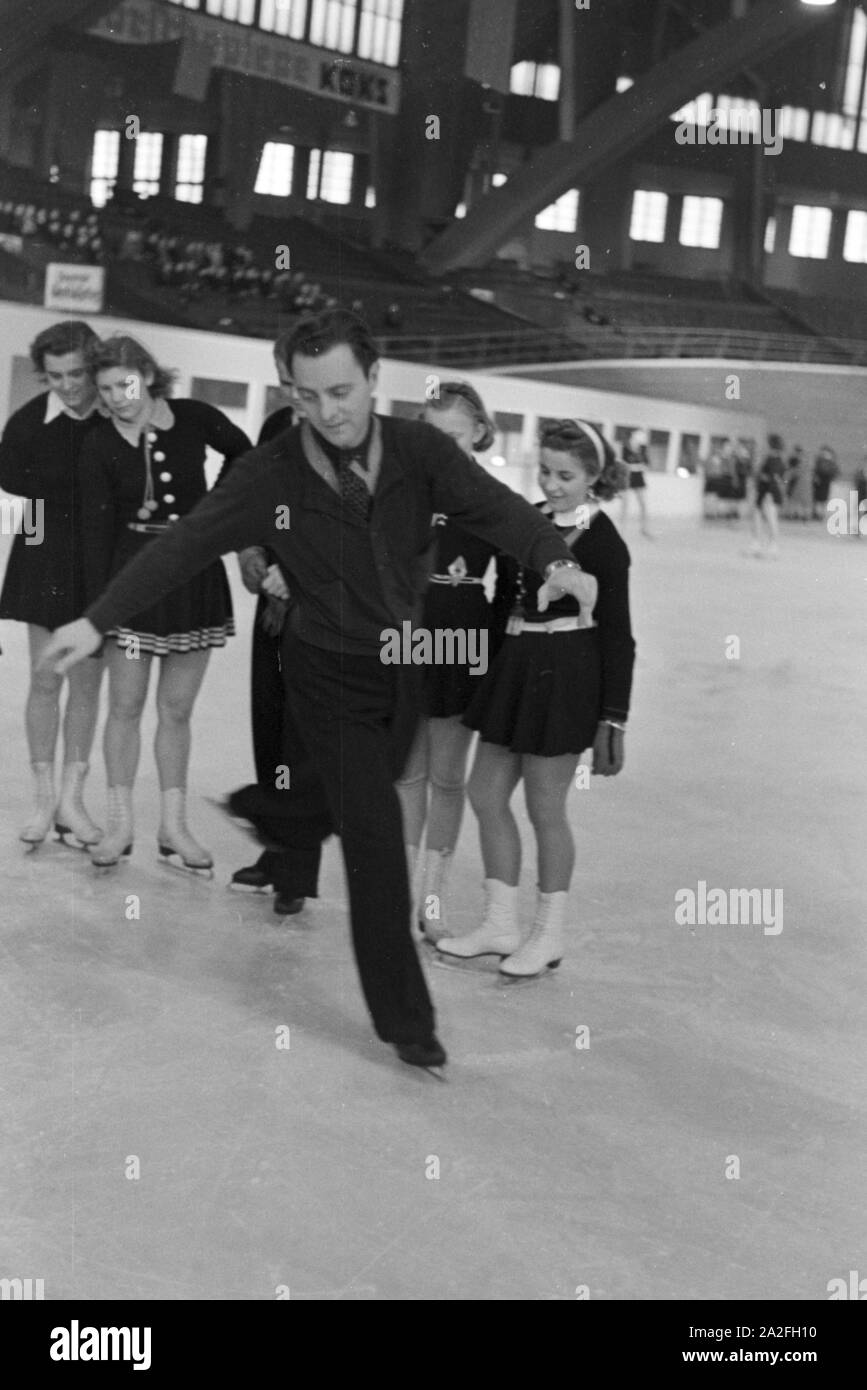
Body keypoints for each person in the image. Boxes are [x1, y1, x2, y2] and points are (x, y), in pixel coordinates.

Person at [40, 308, 597, 1074]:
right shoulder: (271, 471)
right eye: (307, 396)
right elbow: (188, 542)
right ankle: (408, 1022)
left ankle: (274, 810)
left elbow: (496, 510)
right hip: (324, 668)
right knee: (373, 838)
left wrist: (555, 562)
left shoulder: (418, 451)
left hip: (402, 663)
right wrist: (98, 619)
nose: (328, 412)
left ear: (373, 380)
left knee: (340, 797)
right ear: (289, 393)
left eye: (341, 391)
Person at [439, 420, 635, 979]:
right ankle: (500, 922)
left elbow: (619, 635)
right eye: (545, 471)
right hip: (515, 668)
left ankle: (547, 935)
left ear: (594, 477)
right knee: (484, 790)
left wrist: (613, 717)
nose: (552, 484)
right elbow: (504, 603)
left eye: (566, 476)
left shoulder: (604, 542)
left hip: (569, 677)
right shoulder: (527, 522)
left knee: (546, 808)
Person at [77, 333, 252, 870]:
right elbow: (94, 535)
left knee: (176, 711)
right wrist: (96, 614)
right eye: (104, 389)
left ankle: (173, 827)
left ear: (148, 376)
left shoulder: (194, 416)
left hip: (193, 577)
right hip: (130, 583)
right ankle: (119, 823)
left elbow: (246, 454)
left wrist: (216, 511)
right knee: (125, 707)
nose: (114, 397)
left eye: (123, 384)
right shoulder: (99, 443)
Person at [230, 334, 332, 916]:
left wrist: (298, 577)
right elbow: (252, 507)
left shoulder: (346, 437)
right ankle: (276, 850)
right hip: (271, 606)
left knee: (301, 739)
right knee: (268, 728)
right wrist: (251, 555)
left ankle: (296, 869)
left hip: (320, 615)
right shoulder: (275, 430)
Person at [395, 381, 498, 943]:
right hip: (408, 634)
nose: (440, 448)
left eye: (453, 437)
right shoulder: (403, 492)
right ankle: (405, 892)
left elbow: (509, 585)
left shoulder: (491, 497)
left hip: (462, 637)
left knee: (447, 777)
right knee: (407, 772)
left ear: (480, 432)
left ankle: (433, 895)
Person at [0, 319, 105, 849]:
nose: (67, 384)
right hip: (45, 566)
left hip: (103, 570)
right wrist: (38, 551)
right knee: (46, 681)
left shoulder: (115, 417)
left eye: (77, 373)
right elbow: (18, 505)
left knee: (86, 685)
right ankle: (43, 801)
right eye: (56, 375)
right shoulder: (24, 426)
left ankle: (72, 801)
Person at [748, 433, 786, 558]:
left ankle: (773, 545)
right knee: (758, 517)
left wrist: (770, 493)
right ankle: (757, 542)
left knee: (771, 520)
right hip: (763, 493)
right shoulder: (769, 459)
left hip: (769, 494)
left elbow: (774, 479)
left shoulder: (775, 460)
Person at [619, 428, 652, 536]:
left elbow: (647, 465)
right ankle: (622, 529)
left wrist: (636, 466)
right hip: (628, 477)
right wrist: (637, 466)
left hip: (638, 478)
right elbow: (624, 464)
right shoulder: (626, 448)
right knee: (625, 503)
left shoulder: (643, 449)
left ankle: (644, 528)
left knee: (643, 504)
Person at [812, 444, 839, 521]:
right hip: (822, 482)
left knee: (820, 499)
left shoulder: (823, 460)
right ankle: (819, 514)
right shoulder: (823, 460)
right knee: (820, 499)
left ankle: (820, 514)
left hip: (823, 482)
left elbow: (816, 470)